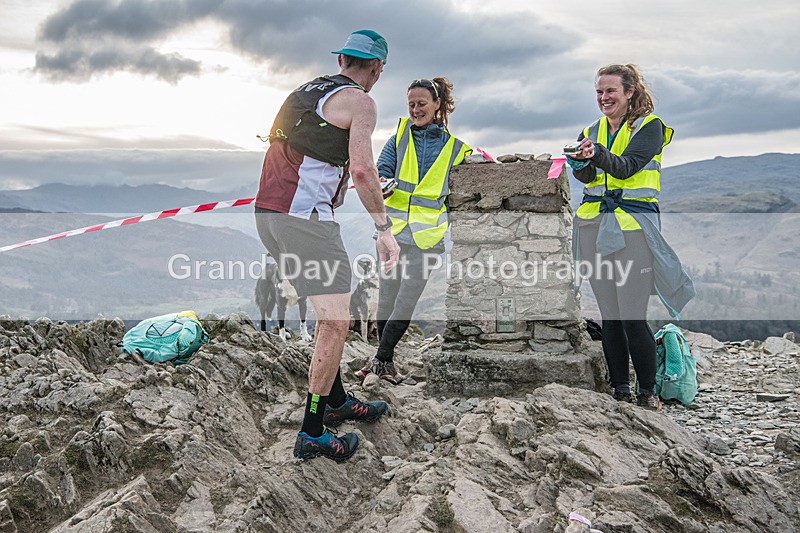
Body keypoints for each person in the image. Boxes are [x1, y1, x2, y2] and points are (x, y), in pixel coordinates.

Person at [254, 30, 401, 461]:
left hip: (270, 215)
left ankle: (336, 401)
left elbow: (308, 156)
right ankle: (313, 431)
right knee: (336, 323)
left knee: (326, 315)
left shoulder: (305, 91)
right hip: (308, 224)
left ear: (342, 60)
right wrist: (383, 227)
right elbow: (361, 168)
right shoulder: (362, 101)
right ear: (377, 68)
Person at [567, 64, 694, 411]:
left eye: (610, 91)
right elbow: (590, 176)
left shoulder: (650, 127)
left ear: (629, 92)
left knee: (632, 315)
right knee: (610, 316)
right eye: (598, 92)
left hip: (633, 231)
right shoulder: (590, 130)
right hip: (593, 226)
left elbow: (626, 167)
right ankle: (621, 389)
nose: (603, 98)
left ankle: (647, 392)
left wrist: (595, 154)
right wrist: (580, 163)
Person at [356, 77, 471, 384]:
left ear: (437, 105)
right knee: (388, 298)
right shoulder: (398, 138)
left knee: (407, 301)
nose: (416, 110)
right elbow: (381, 172)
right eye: (411, 105)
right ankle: (386, 361)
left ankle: (379, 359)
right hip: (391, 233)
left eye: (422, 104)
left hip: (427, 238)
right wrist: (381, 182)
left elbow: (472, 178)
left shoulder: (456, 149)